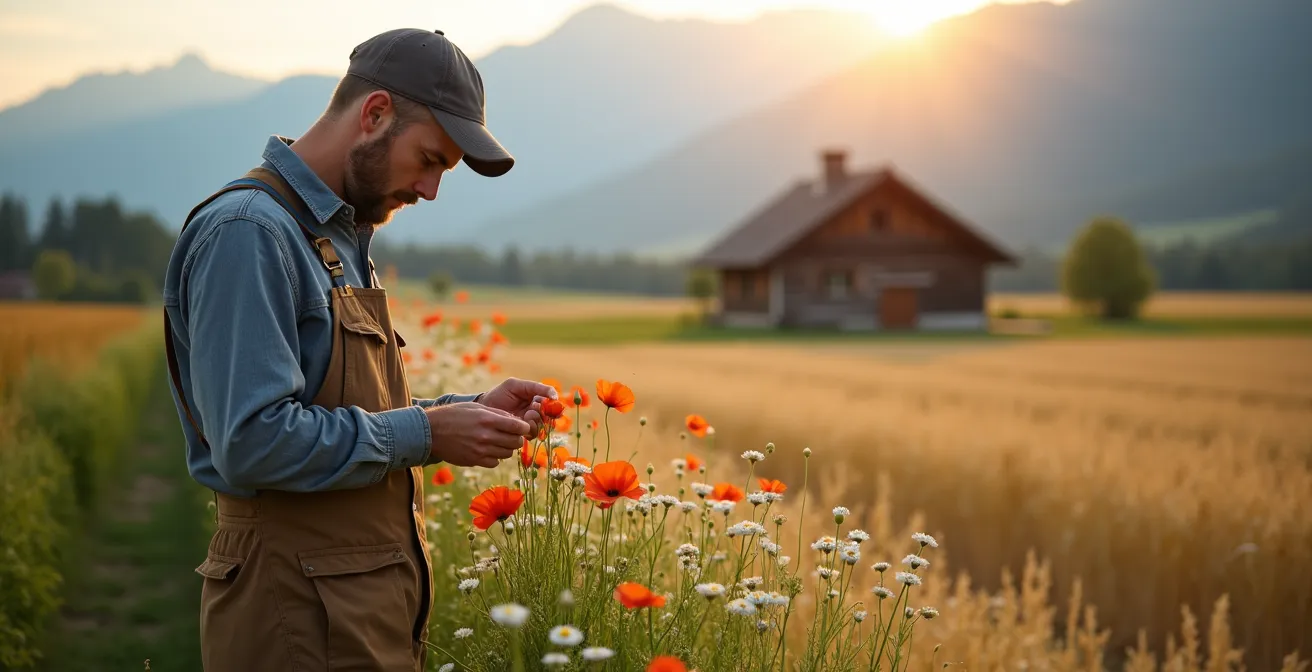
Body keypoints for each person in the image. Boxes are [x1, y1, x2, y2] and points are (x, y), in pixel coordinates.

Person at [161, 28, 556, 671]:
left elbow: (339, 411)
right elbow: (251, 440)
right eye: (429, 159)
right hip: (291, 618)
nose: (430, 190)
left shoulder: (335, 236)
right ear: (374, 114)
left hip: (351, 620)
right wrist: (427, 434)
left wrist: (464, 412)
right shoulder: (249, 233)